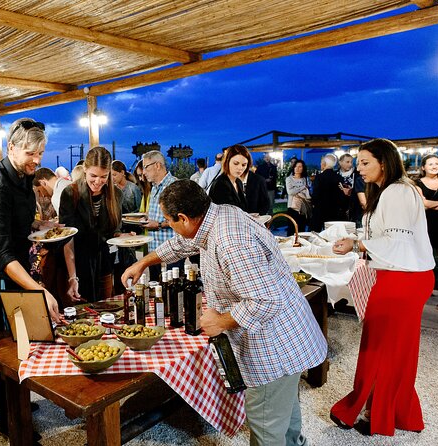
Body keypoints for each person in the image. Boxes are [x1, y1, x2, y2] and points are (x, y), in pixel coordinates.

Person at [122, 179, 327, 446]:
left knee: (266, 424)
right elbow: (182, 245)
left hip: (273, 346)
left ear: (183, 218)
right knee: (284, 411)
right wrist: (144, 262)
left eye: (169, 221)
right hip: (286, 336)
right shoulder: (216, 215)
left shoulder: (229, 241)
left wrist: (220, 321)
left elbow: (265, 301)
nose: (169, 226)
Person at [330, 139, 435, 437]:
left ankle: (376, 413)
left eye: (365, 163)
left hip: (403, 279)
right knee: (390, 349)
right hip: (400, 275)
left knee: (382, 349)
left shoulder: (398, 192)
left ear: (384, 163)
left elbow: (397, 242)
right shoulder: (393, 190)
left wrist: (358, 243)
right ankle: (386, 410)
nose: (359, 168)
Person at [0, 117, 62, 436]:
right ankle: (11, 420)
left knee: (21, 339)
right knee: (13, 341)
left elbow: (16, 225)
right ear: (11, 148)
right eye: (30, 154)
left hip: (14, 262)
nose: (36, 160)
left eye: (41, 153)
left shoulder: (24, 175)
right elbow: (2, 252)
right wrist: (39, 290)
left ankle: (5, 403)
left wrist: (39, 227)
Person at [60, 147, 123, 302]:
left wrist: (122, 236)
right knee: (83, 315)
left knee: (106, 310)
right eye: (93, 175)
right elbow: (67, 239)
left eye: (104, 176)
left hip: (105, 264)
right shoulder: (70, 193)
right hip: (78, 265)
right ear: (84, 170)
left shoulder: (116, 194)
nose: (98, 181)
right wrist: (72, 277)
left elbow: (113, 232)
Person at [142, 150, 181, 280]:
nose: (143, 172)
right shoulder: (154, 187)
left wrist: (158, 224)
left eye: (146, 167)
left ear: (157, 165)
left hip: (172, 251)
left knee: (173, 289)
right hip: (154, 249)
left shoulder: (174, 186)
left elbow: (180, 220)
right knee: (155, 289)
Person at [414, 154, 438, 311]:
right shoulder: (417, 183)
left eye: (437, 163)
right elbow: (422, 203)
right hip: (423, 225)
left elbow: (427, 203)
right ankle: (423, 291)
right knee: (424, 258)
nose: (434, 166)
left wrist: (429, 204)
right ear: (423, 167)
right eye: (430, 164)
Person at [311, 153, 346, 231]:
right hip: (334, 210)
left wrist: (313, 204)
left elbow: (315, 194)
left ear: (324, 164)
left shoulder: (319, 177)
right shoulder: (339, 177)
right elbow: (341, 195)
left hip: (320, 209)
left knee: (316, 232)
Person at [209, 144, 248, 210]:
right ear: (227, 162)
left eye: (244, 165)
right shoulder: (220, 184)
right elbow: (226, 212)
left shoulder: (238, 182)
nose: (240, 168)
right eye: (236, 163)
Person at [285, 160, 312, 233]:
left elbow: (308, 191)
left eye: (300, 167)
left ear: (303, 168)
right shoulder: (289, 179)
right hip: (292, 207)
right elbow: (290, 192)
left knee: (301, 229)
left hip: (303, 207)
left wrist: (296, 189)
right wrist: (302, 187)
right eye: (296, 166)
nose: (297, 168)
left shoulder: (305, 179)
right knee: (291, 229)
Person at [337, 153, 362, 223]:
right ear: (340, 162)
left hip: (354, 208)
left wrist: (351, 192)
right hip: (339, 210)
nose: (350, 164)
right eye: (347, 162)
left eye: (351, 162)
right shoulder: (335, 174)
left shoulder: (357, 174)